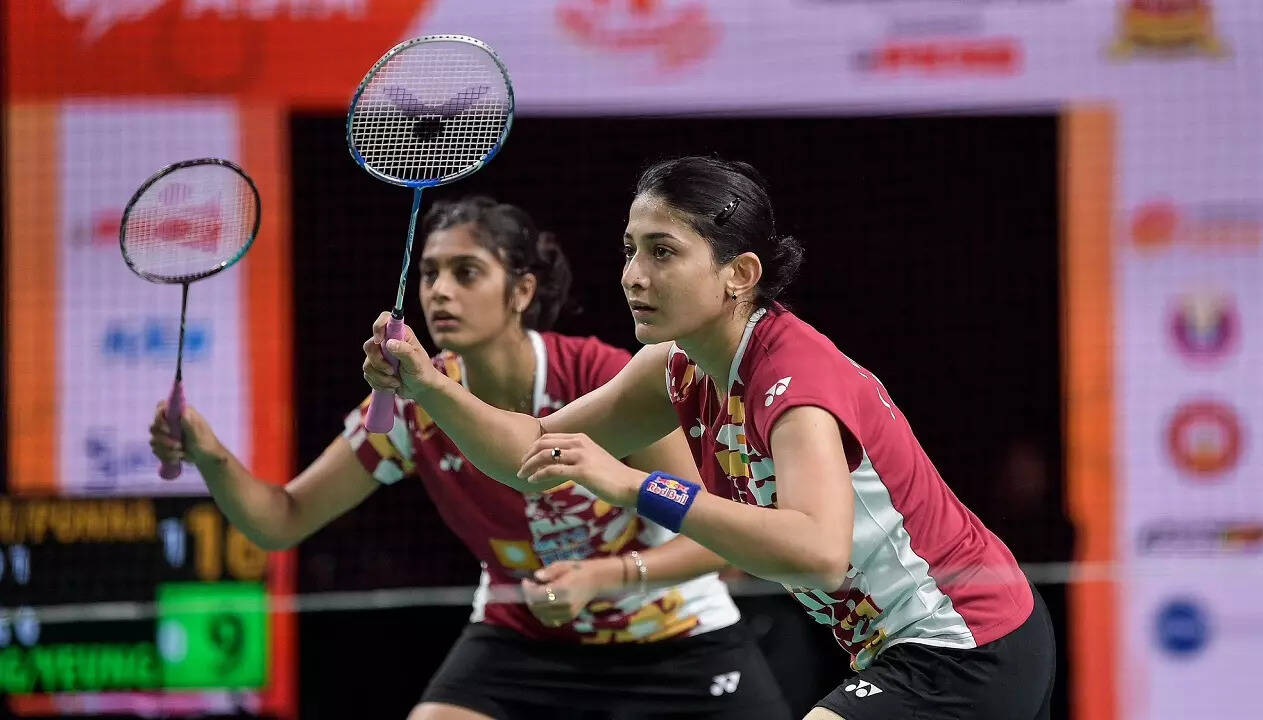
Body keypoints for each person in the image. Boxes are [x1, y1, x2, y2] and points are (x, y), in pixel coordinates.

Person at [362, 159, 1057, 719]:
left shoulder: (795, 384)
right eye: (631, 250)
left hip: (964, 642)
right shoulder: (677, 368)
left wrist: (636, 487)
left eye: (663, 252)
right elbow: (532, 454)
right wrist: (428, 385)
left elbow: (817, 552)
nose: (634, 275)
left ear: (739, 274)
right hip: (902, 649)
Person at [151, 196, 789, 720]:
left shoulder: (600, 378)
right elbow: (280, 520)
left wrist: (605, 577)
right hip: (522, 640)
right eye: (429, 274)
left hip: (673, 635)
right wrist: (209, 454)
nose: (440, 292)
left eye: (466, 272)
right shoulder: (411, 406)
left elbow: (715, 536)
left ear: (521, 291)